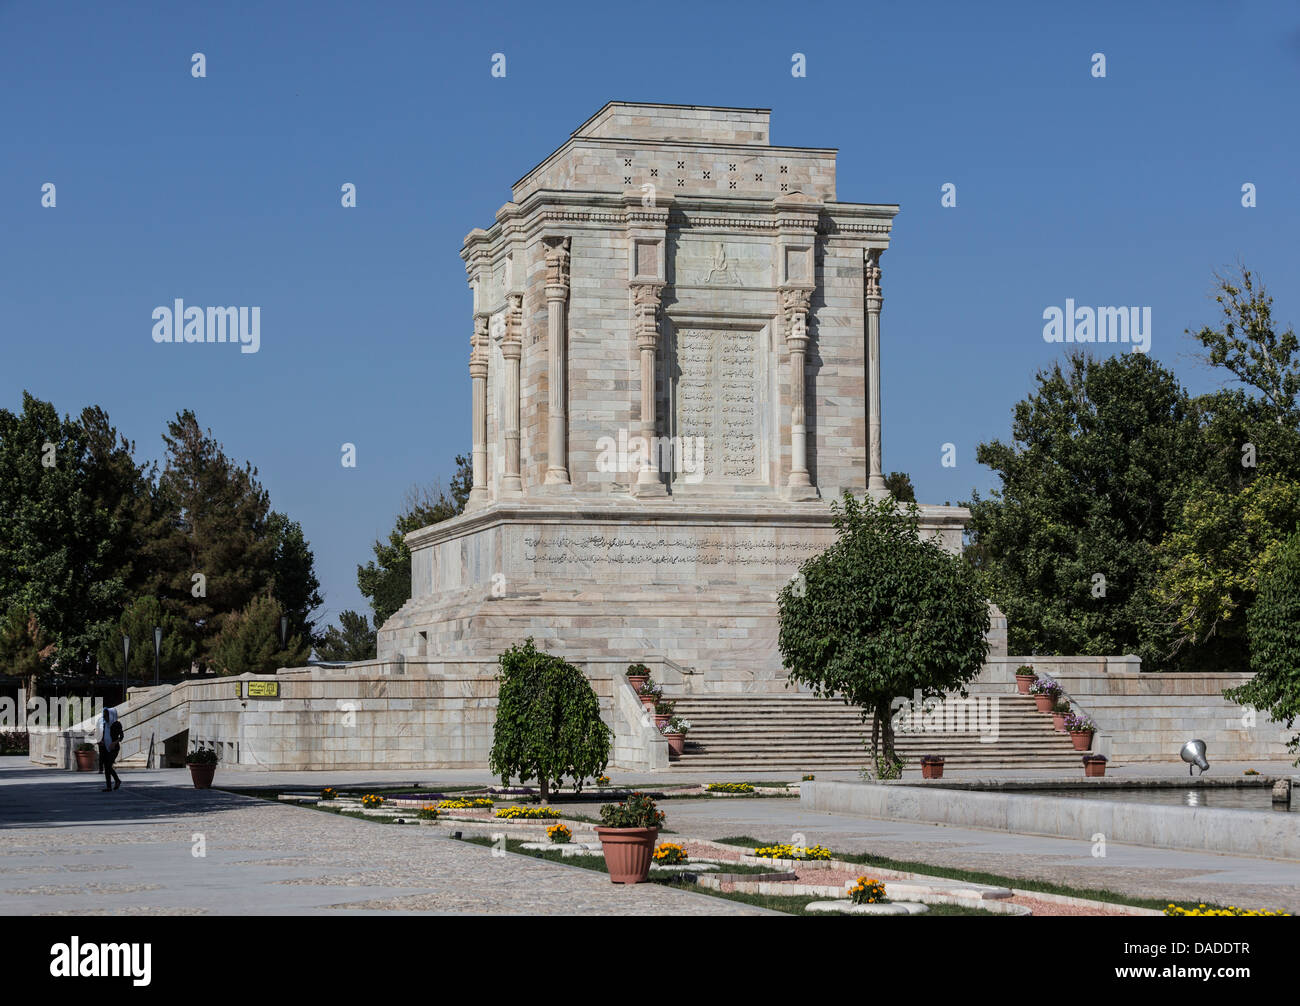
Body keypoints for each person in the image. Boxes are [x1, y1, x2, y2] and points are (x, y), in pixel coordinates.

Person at [98, 707, 122, 791]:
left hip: (114, 748)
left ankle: (117, 781)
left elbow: (121, 737)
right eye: (104, 716)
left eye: (106, 716)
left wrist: (114, 743)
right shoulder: (105, 724)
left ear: (111, 715)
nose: (104, 718)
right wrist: (101, 741)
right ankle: (109, 786)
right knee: (106, 766)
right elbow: (103, 735)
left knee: (108, 765)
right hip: (105, 747)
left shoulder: (117, 724)